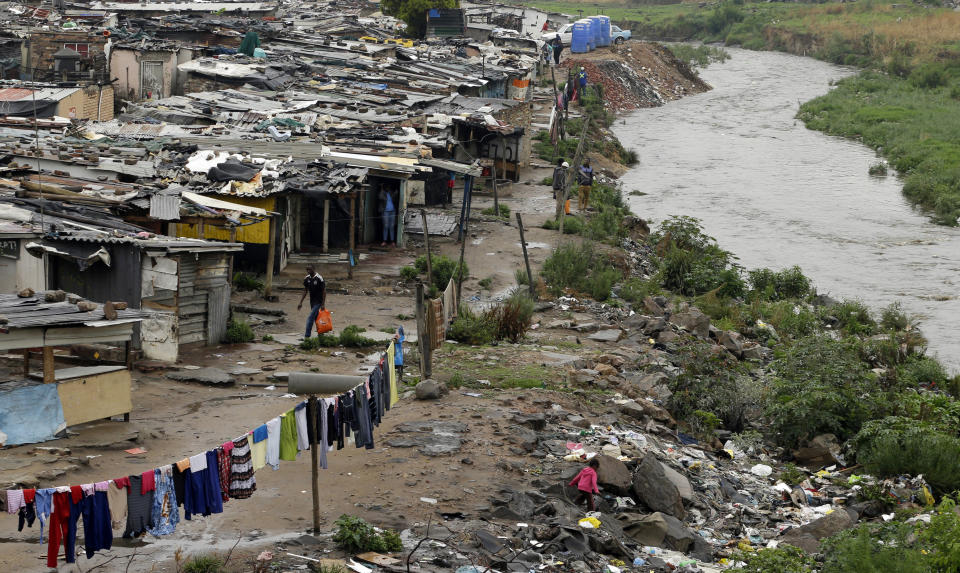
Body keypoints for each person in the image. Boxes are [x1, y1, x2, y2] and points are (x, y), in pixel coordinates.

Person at [297, 266, 326, 339]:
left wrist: (323, 304)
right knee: (316, 317)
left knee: (310, 317)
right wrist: (300, 302)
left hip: (319, 301)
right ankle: (321, 334)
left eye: (310, 269)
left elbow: (324, 291)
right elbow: (305, 290)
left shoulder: (319, 278)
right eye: (307, 269)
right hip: (312, 301)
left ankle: (307, 336)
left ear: (314, 269)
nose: (308, 271)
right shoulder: (307, 278)